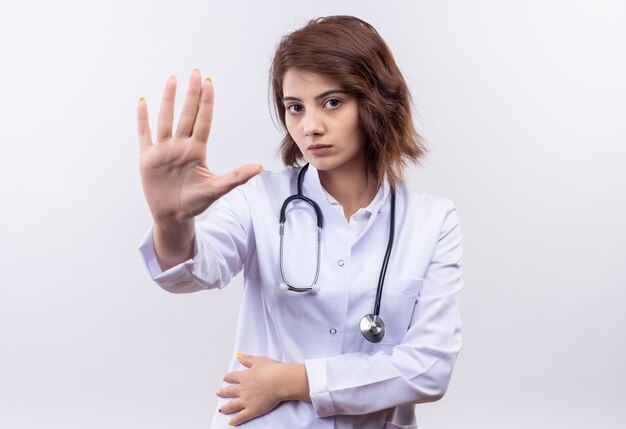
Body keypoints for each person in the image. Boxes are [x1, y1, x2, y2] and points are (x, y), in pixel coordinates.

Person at [137, 15, 463, 429]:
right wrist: (171, 221)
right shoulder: (260, 197)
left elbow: (430, 369)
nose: (310, 126)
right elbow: (191, 272)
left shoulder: (432, 221)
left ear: (379, 100)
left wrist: (292, 381)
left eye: (332, 102)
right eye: (295, 107)